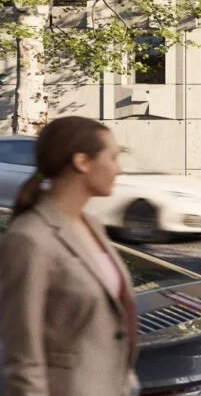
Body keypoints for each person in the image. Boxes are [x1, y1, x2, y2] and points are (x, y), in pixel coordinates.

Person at [0, 117, 139, 396]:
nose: (119, 170)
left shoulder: (93, 226)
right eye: (112, 158)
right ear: (82, 162)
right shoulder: (28, 238)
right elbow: (22, 356)